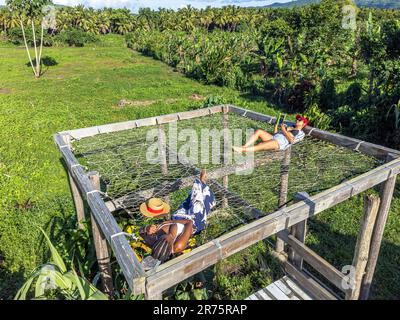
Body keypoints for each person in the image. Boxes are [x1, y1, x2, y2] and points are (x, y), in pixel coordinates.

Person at [139, 169, 216, 263]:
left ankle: (202, 185)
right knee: (199, 200)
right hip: (194, 222)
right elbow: (189, 223)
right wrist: (170, 222)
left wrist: (147, 228)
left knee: (189, 200)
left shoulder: (153, 242)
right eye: (170, 238)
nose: (169, 235)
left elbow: (141, 232)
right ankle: (202, 183)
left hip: (179, 217)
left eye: (164, 236)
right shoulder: (178, 246)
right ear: (171, 245)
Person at [232, 114, 309, 153]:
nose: (297, 120)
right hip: (274, 137)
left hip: (279, 143)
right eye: (297, 119)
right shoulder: (291, 126)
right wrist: (276, 126)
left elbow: (291, 141)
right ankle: (244, 146)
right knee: (259, 131)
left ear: (303, 124)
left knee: (261, 145)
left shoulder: (301, 133)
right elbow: (276, 134)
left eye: (300, 120)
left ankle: (242, 150)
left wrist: (284, 130)